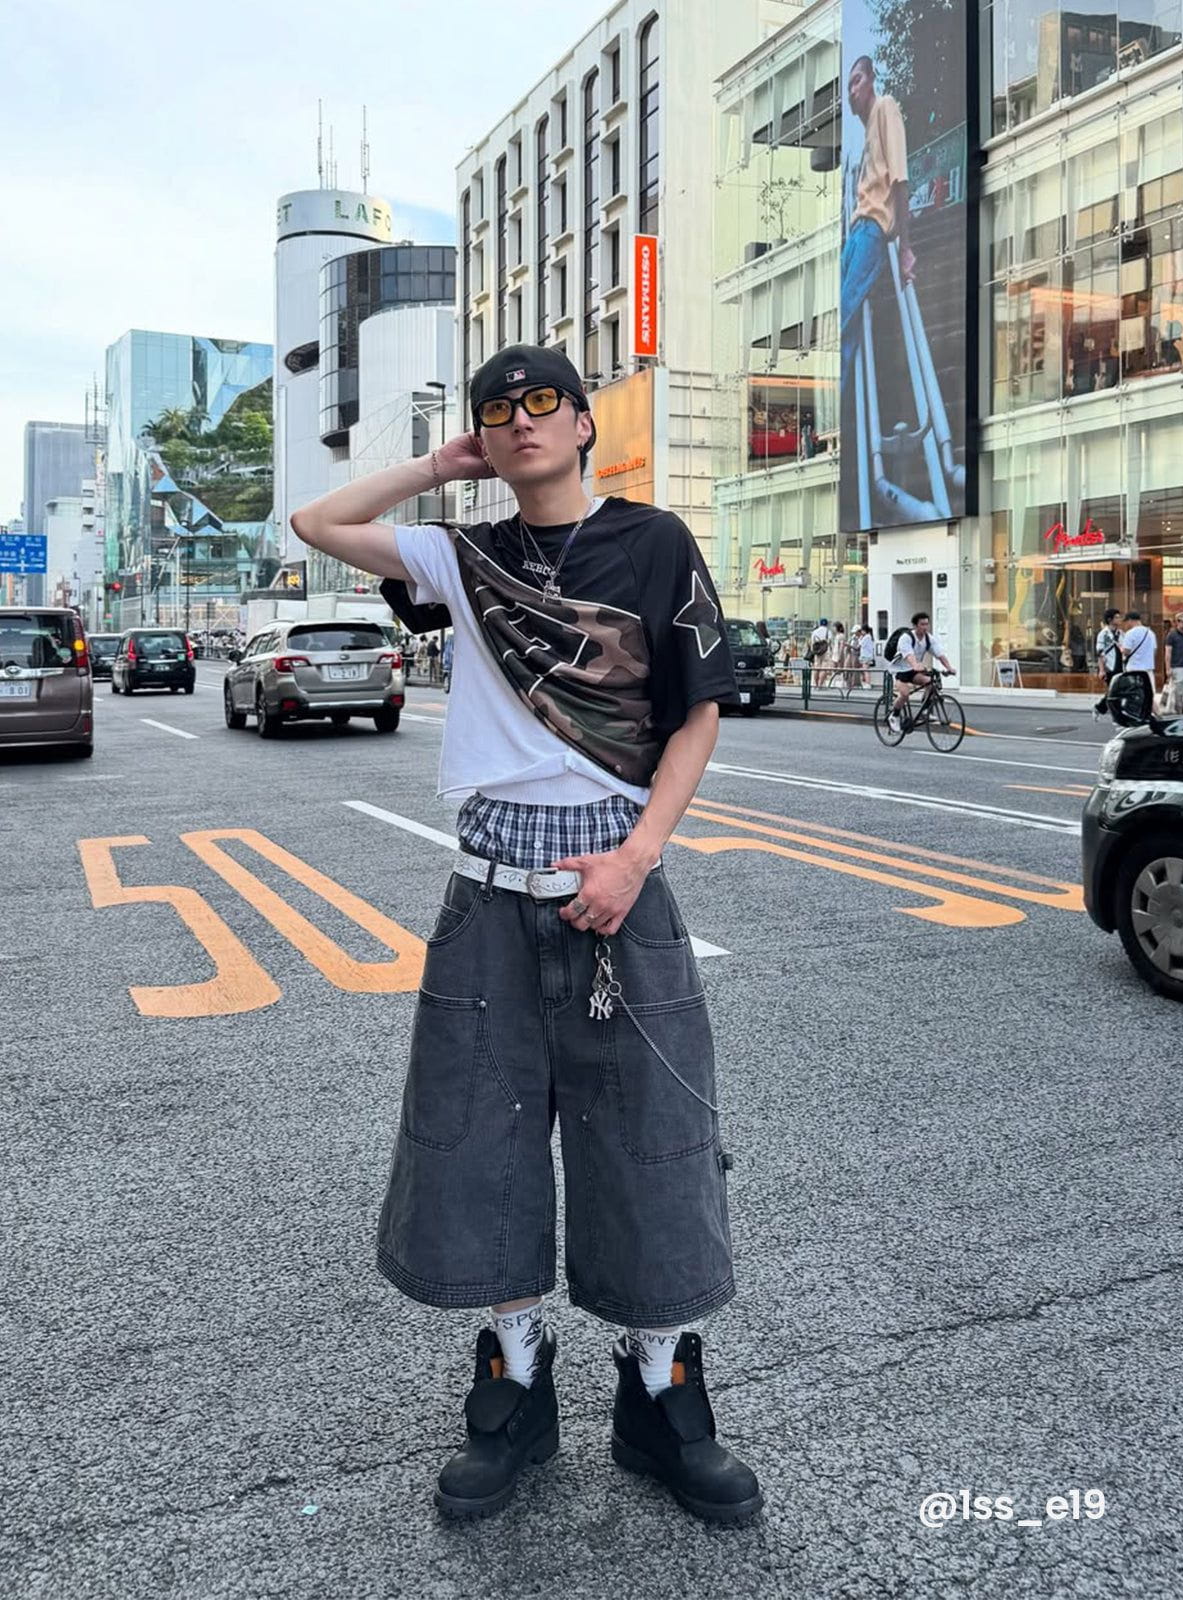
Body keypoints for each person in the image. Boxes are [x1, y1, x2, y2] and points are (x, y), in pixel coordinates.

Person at [290, 344, 761, 1527]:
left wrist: (636, 856)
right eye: (497, 408)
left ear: (585, 420)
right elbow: (317, 521)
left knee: (653, 1138)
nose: (519, 419)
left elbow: (699, 713)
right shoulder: (468, 556)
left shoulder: (654, 542)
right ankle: (514, 1377)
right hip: (488, 892)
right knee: (479, 1141)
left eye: (542, 399)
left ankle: (661, 1390)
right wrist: (438, 466)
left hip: (621, 885)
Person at [840, 55, 915, 404]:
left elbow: (900, 179)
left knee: (846, 316)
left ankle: (842, 403)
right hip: (856, 233)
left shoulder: (886, 108)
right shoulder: (867, 131)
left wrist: (905, 248)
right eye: (849, 86)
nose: (852, 91)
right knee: (844, 317)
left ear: (872, 79)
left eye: (857, 80)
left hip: (872, 230)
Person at [887, 611, 954, 731]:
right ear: (915, 625)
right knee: (905, 694)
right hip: (899, 670)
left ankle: (925, 710)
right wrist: (915, 665)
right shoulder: (906, 638)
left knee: (931, 683)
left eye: (927, 624)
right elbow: (909, 655)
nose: (925, 627)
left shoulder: (928, 639)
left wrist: (949, 668)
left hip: (913, 670)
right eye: (922, 624)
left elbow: (939, 654)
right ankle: (894, 715)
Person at [1118, 611, 1157, 719]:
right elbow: (1154, 651)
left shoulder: (1130, 634)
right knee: (1149, 695)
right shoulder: (1150, 633)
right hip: (1148, 669)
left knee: (1135, 695)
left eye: (1127, 622)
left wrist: (1120, 648)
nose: (1126, 624)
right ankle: (1155, 716)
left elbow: (1126, 651)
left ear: (1131, 620)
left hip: (1134, 669)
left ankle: (1137, 716)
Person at [1092, 607, 1122, 722]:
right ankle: (1104, 709)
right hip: (1110, 666)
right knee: (1113, 691)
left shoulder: (1120, 633)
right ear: (1110, 620)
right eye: (1117, 617)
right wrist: (1102, 670)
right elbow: (1100, 653)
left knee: (1116, 691)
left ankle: (1102, 708)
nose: (1119, 619)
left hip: (1121, 666)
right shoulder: (1103, 634)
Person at [809, 617, 830, 685]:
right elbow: (830, 642)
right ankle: (820, 684)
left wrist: (813, 651)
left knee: (816, 667)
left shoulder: (815, 632)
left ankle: (816, 683)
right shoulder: (828, 631)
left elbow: (812, 642)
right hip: (825, 651)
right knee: (824, 668)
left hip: (817, 652)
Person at [827, 621, 848, 688]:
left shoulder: (841, 636)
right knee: (834, 669)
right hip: (835, 654)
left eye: (834, 627)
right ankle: (833, 682)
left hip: (839, 654)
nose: (833, 629)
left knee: (840, 669)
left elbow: (841, 646)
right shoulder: (837, 636)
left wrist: (840, 655)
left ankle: (841, 683)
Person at [857, 624, 877, 690]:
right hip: (867, 655)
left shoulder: (866, 637)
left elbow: (860, 645)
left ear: (864, 630)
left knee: (866, 670)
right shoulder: (869, 636)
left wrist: (860, 639)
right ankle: (866, 683)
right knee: (865, 670)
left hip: (866, 656)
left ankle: (868, 684)